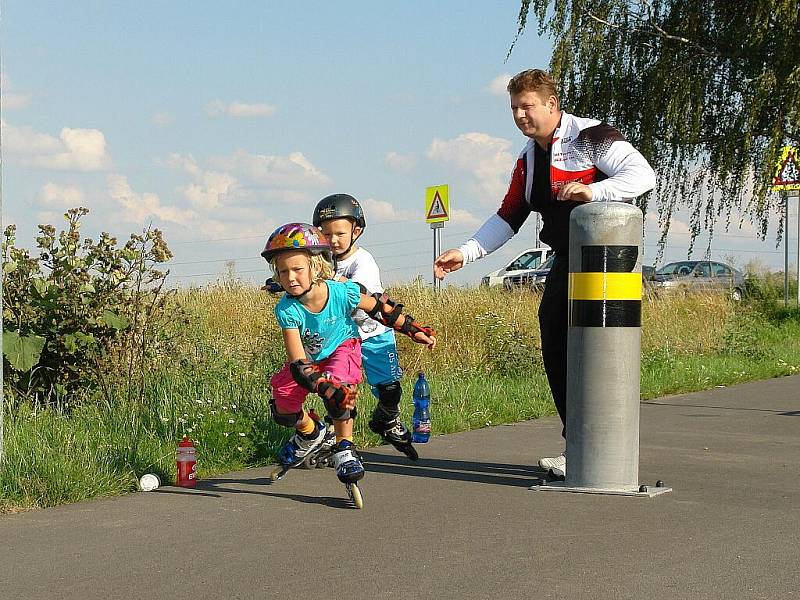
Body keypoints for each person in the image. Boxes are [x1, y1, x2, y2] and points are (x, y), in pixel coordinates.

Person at [433, 69, 655, 479]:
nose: (520, 115)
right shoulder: (528, 158)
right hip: (567, 257)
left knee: (600, 347)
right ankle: (579, 444)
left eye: (527, 106)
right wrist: (464, 254)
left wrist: (595, 192)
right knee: (554, 336)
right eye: (514, 108)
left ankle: (609, 447)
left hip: (607, 258)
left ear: (552, 105)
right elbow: (508, 216)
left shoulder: (592, 135)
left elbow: (643, 176)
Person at [262, 222, 436, 490]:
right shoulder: (287, 309)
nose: (291, 278)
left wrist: (413, 330)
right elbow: (298, 362)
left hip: (344, 348)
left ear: (315, 266)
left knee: (341, 391)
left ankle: (345, 447)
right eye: (283, 272)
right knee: (283, 409)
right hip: (310, 361)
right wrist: (320, 385)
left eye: (297, 269)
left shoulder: (342, 292)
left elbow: (381, 309)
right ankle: (311, 433)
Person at [312, 193, 419, 460]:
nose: (333, 240)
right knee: (341, 391)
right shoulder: (320, 259)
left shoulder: (363, 261)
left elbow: (359, 294)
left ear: (356, 231)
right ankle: (337, 439)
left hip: (375, 335)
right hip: (341, 339)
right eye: (326, 234)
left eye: (339, 233)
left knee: (390, 389)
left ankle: (387, 419)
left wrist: (329, 278)